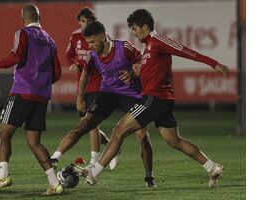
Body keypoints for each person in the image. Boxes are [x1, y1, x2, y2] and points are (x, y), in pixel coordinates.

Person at [82, 9, 229, 188]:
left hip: (155, 99)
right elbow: (152, 72)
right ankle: (212, 167)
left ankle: (94, 172)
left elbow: (186, 51)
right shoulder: (148, 46)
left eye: (135, 29)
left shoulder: (158, 41)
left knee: (119, 131)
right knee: (175, 141)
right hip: (161, 100)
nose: (133, 33)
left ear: (145, 26)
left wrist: (213, 63)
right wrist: (135, 74)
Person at [51, 20, 157, 187]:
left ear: (103, 37)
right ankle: (55, 157)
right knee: (84, 125)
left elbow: (144, 62)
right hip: (107, 94)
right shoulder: (92, 56)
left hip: (132, 95)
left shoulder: (124, 48)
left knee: (142, 135)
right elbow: (85, 74)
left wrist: (132, 72)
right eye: (88, 43)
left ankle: (149, 176)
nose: (90, 46)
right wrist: (79, 98)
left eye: (92, 42)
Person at [0, 5, 63, 196]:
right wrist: (41, 84)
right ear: (39, 17)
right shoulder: (50, 40)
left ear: (22, 19)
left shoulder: (22, 33)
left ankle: (3, 176)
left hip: (22, 92)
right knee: (34, 142)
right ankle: (54, 182)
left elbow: (15, 56)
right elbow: (57, 73)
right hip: (42, 96)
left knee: (4, 132)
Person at [63, 7, 120, 170]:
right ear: (79, 22)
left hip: (98, 84)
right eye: (82, 21)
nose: (85, 24)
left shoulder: (102, 37)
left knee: (91, 124)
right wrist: (73, 63)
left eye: (88, 21)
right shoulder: (75, 36)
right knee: (85, 125)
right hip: (83, 84)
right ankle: (112, 146)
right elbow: (68, 54)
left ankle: (94, 161)